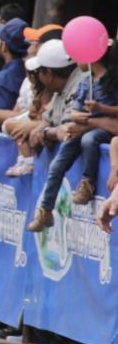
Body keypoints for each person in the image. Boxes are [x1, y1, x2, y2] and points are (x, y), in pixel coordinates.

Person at [28, 43, 118, 232]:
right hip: (82, 128)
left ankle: (88, 183)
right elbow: (73, 111)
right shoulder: (85, 82)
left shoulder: (112, 80)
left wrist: (99, 110)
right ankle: (45, 209)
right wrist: (77, 116)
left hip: (101, 131)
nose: (76, 61)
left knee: (89, 139)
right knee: (57, 163)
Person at [6, 39, 81, 177]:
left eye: (39, 72)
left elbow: (68, 130)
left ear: (49, 74)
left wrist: (44, 132)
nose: (37, 77)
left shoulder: (79, 86)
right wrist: (40, 127)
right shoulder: (59, 89)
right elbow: (48, 118)